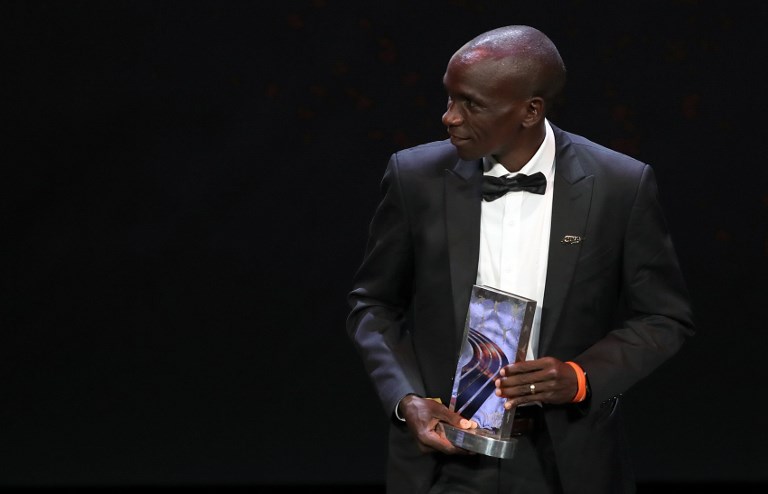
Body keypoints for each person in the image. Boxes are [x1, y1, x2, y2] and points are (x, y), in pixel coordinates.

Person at [346, 24, 695, 494]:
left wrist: (580, 377)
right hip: (444, 457)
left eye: (470, 103)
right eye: (449, 98)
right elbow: (373, 305)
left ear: (530, 110)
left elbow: (664, 316)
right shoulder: (416, 178)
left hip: (567, 462)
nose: (449, 117)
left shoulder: (619, 185)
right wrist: (406, 398)